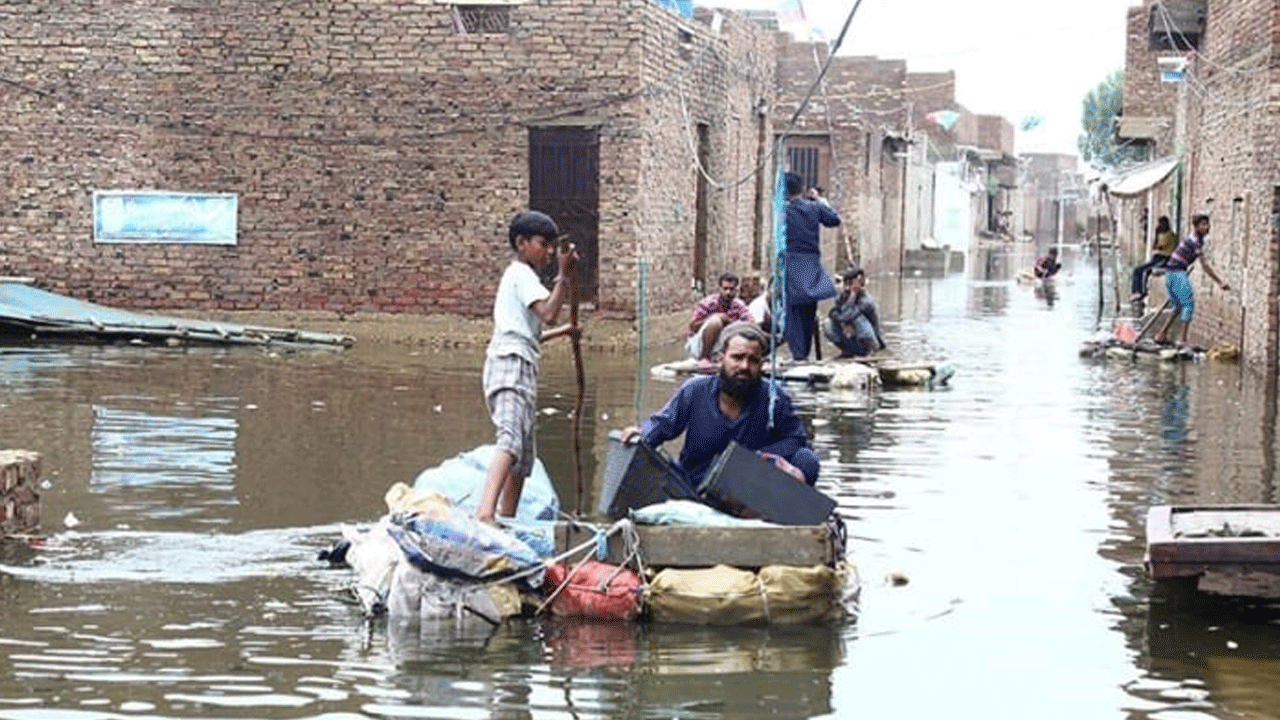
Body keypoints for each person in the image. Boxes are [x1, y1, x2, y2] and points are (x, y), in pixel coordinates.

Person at [622, 321, 821, 487]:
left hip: (749, 488)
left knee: (808, 460)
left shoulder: (774, 397)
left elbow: (796, 440)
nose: (744, 366)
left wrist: (756, 458)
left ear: (762, 364)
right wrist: (642, 434)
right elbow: (663, 424)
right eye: (737, 357)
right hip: (694, 484)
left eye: (753, 360)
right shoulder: (695, 390)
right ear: (720, 359)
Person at [475, 210, 579, 525]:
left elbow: (531, 332)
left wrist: (566, 332)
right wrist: (563, 275)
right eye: (543, 244)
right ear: (521, 243)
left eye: (552, 246)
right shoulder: (520, 274)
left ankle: (507, 517)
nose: (549, 252)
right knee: (510, 439)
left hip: (522, 362)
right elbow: (549, 313)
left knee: (523, 456)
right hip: (510, 362)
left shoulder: (524, 279)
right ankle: (485, 513)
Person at [783, 172, 840, 361]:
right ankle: (803, 354)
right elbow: (834, 219)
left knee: (793, 312)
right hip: (810, 263)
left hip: (792, 262)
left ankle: (798, 355)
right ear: (803, 188)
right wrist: (820, 199)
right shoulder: (815, 207)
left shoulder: (783, 210)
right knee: (808, 309)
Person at [1155, 213, 1231, 347]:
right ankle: (1183, 340)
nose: (1207, 227)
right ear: (1196, 226)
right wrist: (1220, 282)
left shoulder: (1197, 240)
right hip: (1177, 273)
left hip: (1171, 273)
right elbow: (1205, 265)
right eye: (1203, 224)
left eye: (1208, 224)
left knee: (1178, 306)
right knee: (1188, 304)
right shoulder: (1195, 241)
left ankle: (1161, 334)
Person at [686, 272, 754, 362]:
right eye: (725, 289)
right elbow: (692, 326)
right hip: (699, 344)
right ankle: (705, 358)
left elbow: (750, 325)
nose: (728, 292)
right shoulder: (708, 303)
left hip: (723, 345)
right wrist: (714, 319)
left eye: (731, 289)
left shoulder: (739, 305)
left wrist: (728, 322)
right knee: (716, 322)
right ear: (719, 289)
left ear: (736, 290)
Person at [823, 266, 886, 358]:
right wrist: (843, 324)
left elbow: (849, 315)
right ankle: (846, 351)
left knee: (857, 319)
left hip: (868, 340)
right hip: (850, 338)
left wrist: (853, 295)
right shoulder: (841, 296)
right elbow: (833, 312)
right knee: (827, 323)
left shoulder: (866, 300)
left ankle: (870, 351)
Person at [1130, 215, 1178, 301]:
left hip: (1164, 258)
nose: (1160, 225)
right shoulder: (1160, 234)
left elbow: (1161, 247)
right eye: (1159, 223)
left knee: (1144, 271)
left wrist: (1158, 245)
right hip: (1156, 257)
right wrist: (1156, 234)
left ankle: (1141, 292)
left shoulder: (1171, 235)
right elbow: (1154, 246)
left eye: (1162, 223)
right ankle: (1136, 292)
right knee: (1138, 270)